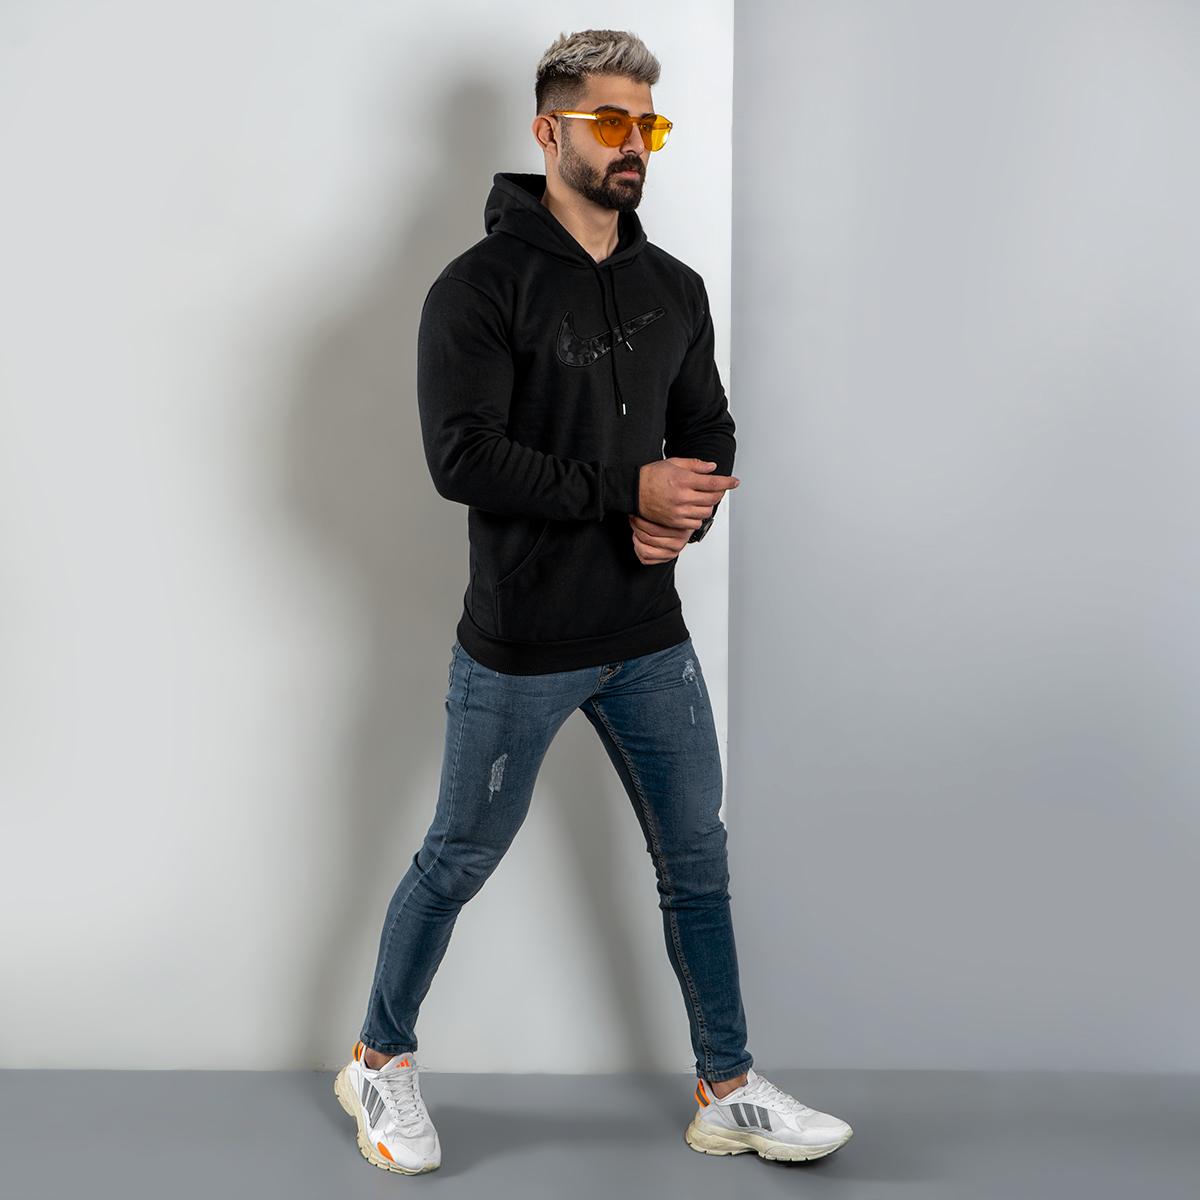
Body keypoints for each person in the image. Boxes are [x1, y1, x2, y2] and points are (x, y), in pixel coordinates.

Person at [335, 29, 852, 1175]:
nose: (634, 144)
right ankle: (378, 1059)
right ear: (548, 131)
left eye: (647, 123)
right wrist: (626, 491)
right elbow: (461, 458)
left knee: (696, 862)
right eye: (610, 121)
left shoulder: (675, 288)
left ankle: (728, 1089)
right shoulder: (477, 290)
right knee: (457, 857)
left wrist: (683, 514)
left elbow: (709, 429)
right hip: (521, 646)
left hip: (649, 640)